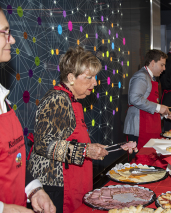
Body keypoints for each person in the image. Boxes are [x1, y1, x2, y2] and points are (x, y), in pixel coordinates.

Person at [27, 46, 122, 213]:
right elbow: (43, 144)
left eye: (95, 77)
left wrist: (92, 148)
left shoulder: (73, 100)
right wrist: (85, 151)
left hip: (71, 181)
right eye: (89, 77)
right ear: (71, 78)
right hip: (55, 184)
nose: (94, 83)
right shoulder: (57, 99)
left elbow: (71, 140)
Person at [0, 7, 56, 213]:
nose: (12, 40)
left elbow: (15, 160)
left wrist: (34, 190)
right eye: (5, 32)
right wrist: (5, 209)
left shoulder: (3, 98)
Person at [123, 49, 171, 149]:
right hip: (138, 128)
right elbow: (134, 98)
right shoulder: (141, 76)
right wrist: (158, 107)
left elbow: (149, 106)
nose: (164, 68)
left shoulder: (151, 77)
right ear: (152, 63)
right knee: (139, 160)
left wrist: (163, 115)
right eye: (162, 65)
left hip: (147, 125)